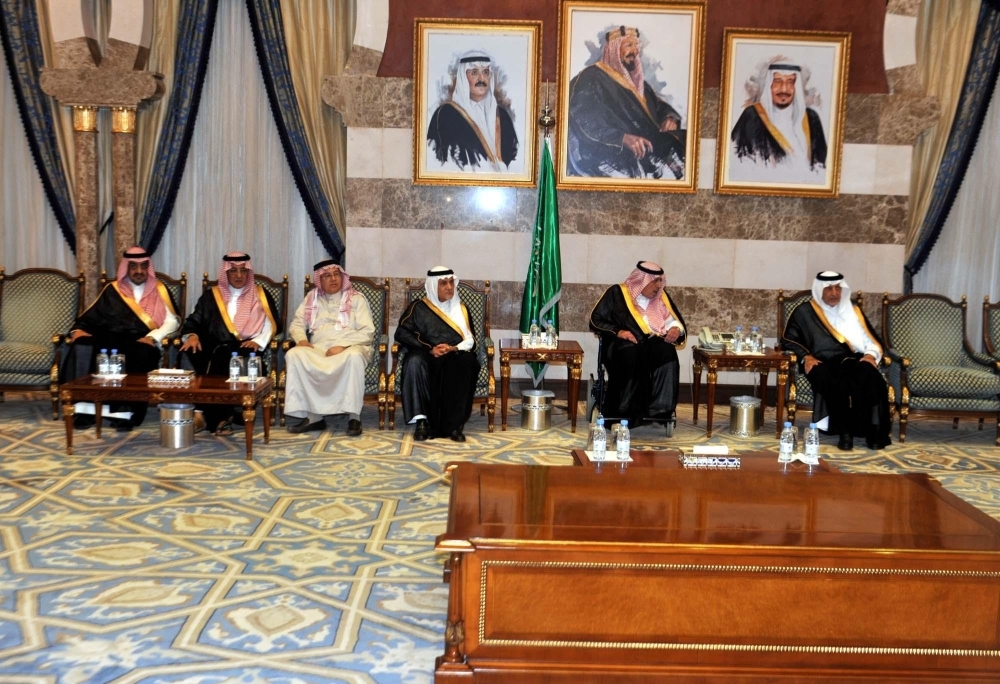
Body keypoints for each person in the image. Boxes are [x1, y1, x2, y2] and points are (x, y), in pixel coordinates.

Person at [62, 246, 181, 431]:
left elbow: (172, 321)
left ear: (148, 267)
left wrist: (153, 337)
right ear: (126, 268)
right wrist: (78, 330)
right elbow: (93, 316)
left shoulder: (160, 289)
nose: (139, 271)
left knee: (142, 353)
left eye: (143, 266)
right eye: (133, 266)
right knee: (86, 344)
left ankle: (125, 414)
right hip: (111, 337)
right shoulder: (113, 289)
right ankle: (86, 410)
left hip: (142, 340)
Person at [781, 271, 891, 451]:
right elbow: (788, 339)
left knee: (873, 378)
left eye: (838, 288)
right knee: (835, 383)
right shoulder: (805, 312)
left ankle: (873, 433)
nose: (834, 293)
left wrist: (871, 355)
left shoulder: (853, 311)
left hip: (852, 360)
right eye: (829, 289)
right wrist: (806, 356)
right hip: (820, 362)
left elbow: (870, 340)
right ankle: (844, 433)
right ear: (819, 290)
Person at [178, 252, 282, 435]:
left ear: (249, 272)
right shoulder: (212, 296)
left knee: (224, 359)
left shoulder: (260, 295)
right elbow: (193, 321)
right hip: (212, 345)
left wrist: (258, 341)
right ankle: (201, 413)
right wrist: (192, 336)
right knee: (189, 352)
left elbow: (272, 323)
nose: (239, 275)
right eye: (233, 271)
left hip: (244, 347)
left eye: (243, 271)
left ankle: (217, 419)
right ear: (225, 273)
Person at [567, 26, 685, 180]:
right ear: (613, 49)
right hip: (608, 156)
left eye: (636, 46)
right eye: (629, 45)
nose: (635, 51)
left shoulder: (636, 82)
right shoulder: (590, 77)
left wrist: (669, 118)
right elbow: (585, 122)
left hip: (648, 151)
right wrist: (622, 138)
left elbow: (656, 106)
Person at [589, 261, 686, 427]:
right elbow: (596, 319)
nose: (658, 286)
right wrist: (618, 331)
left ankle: (659, 410)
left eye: (660, 281)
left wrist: (675, 329)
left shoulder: (660, 298)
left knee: (667, 351)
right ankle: (621, 412)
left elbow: (673, 321)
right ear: (641, 280)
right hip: (623, 346)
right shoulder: (617, 293)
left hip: (651, 345)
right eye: (654, 281)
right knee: (632, 353)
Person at [284, 260, 374, 436]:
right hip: (319, 347)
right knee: (295, 354)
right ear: (319, 279)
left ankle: (354, 417)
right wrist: (302, 340)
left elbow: (367, 332)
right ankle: (313, 417)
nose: (333, 279)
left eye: (336, 274)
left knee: (354, 357)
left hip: (351, 346)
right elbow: (296, 324)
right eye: (327, 275)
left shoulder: (356, 299)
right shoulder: (311, 298)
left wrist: (342, 346)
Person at [395, 266, 480, 442]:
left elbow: (470, 340)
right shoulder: (418, 307)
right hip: (426, 354)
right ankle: (421, 421)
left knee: (467, 362)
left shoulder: (461, 309)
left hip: (453, 353)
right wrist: (429, 348)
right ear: (434, 286)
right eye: (443, 283)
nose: (449, 287)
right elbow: (402, 333)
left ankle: (456, 424)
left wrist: (453, 348)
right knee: (413, 361)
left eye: (451, 283)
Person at [730, 57, 827, 173]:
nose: (784, 89)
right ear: (769, 85)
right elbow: (738, 161)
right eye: (778, 82)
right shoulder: (752, 116)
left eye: (790, 82)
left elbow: (822, 165)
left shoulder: (811, 118)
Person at [427, 51, 518, 172]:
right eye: (474, 72)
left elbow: (514, 155)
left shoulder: (502, 115)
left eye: (485, 72)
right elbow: (437, 159)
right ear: (463, 78)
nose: (481, 78)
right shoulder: (445, 114)